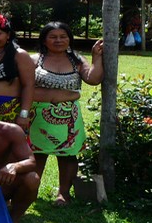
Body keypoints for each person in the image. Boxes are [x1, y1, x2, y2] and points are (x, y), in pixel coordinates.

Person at [30, 22, 104, 206]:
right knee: (36, 154)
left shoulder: (77, 60)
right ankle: (31, 190)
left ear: (69, 39)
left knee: (68, 154)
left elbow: (93, 79)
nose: (58, 40)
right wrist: (63, 95)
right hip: (38, 116)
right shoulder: (34, 60)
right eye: (53, 37)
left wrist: (96, 57)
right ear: (44, 40)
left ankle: (64, 193)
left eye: (63, 36)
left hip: (69, 117)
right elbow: (24, 88)